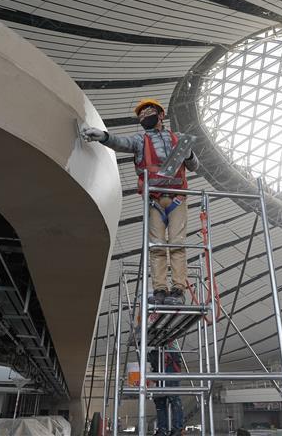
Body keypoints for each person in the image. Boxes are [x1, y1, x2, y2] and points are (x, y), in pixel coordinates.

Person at [83, 98, 199, 305]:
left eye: (148, 112)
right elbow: (121, 143)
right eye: (141, 115)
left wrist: (188, 154)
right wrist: (104, 137)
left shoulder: (178, 139)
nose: (144, 116)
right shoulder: (140, 140)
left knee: (177, 243)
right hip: (154, 200)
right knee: (156, 246)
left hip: (177, 198)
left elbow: (194, 165)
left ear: (161, 115)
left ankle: (178, 290)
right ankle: (160, 289)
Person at [148, 343, 184, 436]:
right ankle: (163, 429)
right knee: (160, 401)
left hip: (169, 365)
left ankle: (177, 429)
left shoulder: (169, 343)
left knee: (173, 398)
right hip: (158, 365)